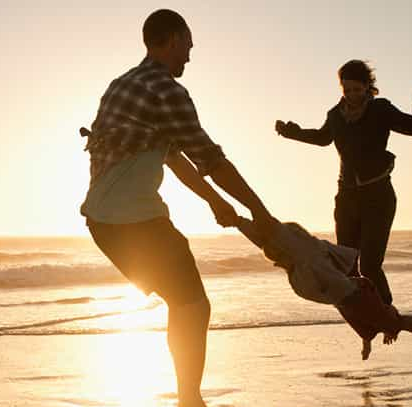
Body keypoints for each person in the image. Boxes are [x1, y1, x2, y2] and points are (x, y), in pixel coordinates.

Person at [79, 9, 276, 407]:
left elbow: (173, 156)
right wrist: (262, 213)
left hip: (103, 222)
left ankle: (189, 397)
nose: (189, 54)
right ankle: (189, 400)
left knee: (182, 302)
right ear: (172, 39)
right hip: (133, 219)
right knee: (194, 305)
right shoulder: (166, 90)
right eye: (188, 44)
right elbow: (211, 159)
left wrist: (216, 202)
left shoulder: (123, 85)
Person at [275, 60, 412, 307]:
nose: (352, 95)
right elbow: (322, 138)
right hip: (347, 198)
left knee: (370, 265)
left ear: (367, 87)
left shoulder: (381, 110)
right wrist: (292, 132)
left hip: (378, 196)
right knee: (346, 265)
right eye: (347, 90)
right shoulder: (335, 116)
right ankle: (363, 319)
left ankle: (386, 313)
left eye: (357, 90)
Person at [236, 217, 412, 361]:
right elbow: (261, 241)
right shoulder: (296, 271)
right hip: (346, 301)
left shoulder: (312, 256)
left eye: (278, 253)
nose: (277, 260)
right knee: (369, 331)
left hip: (358, 294)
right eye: (275, 258)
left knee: (397, 323)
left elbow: (274, 230)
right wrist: (238, 222)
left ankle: (388, 319)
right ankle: (381, 325)